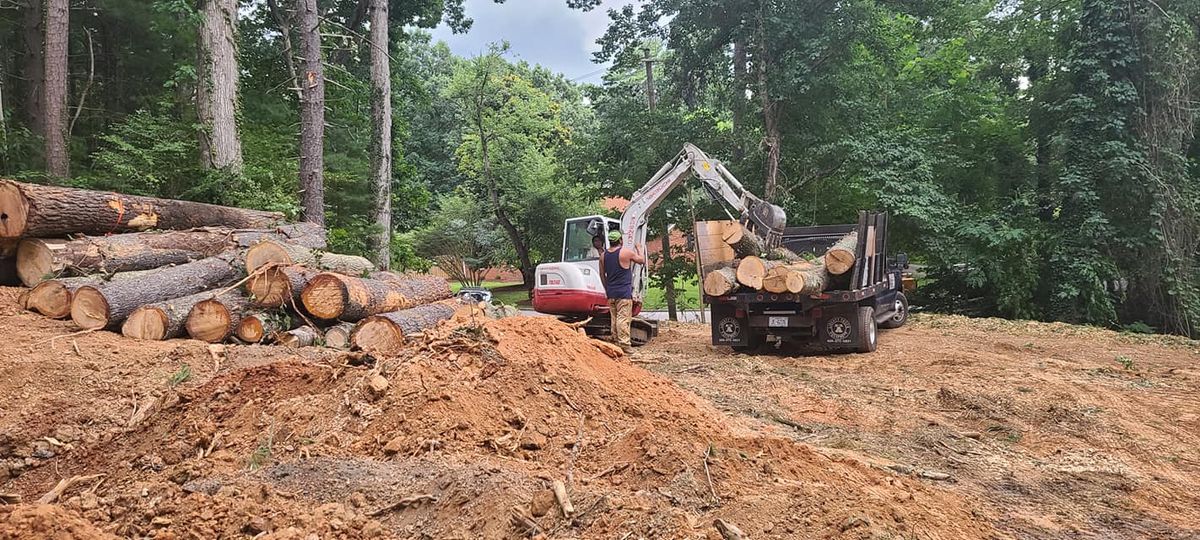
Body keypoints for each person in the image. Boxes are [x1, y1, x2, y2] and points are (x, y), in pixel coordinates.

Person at [598, 229, 645, 354]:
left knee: (614, 318)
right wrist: (639, 248)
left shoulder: (603, 256)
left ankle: (615, 341)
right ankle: (624, 344)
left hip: (611, 292)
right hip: (623, 292)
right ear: (620, 240)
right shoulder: (625, 253)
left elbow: (602, 274)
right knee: (623, 318)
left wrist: (607, 288)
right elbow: (641, 261)